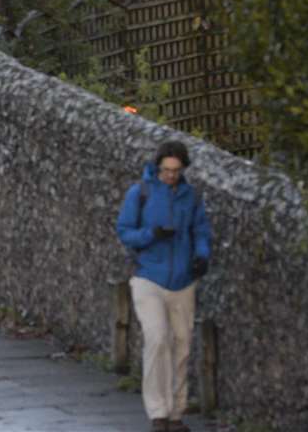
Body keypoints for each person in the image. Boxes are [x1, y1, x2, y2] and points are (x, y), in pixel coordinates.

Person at [116, 140, 213, 432]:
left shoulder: (191, 197)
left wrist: (201, 257)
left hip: (183, 279)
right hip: (148, 277)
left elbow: (201, 231)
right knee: (157, 339)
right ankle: (158, 412)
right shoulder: (140, 193)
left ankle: (175, 412)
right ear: (158, 167)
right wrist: (152, 234)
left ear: (183, 169)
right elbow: (124, 231)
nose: (170, 175)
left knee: (182, 344)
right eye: (166, 170)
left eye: (176, 170)